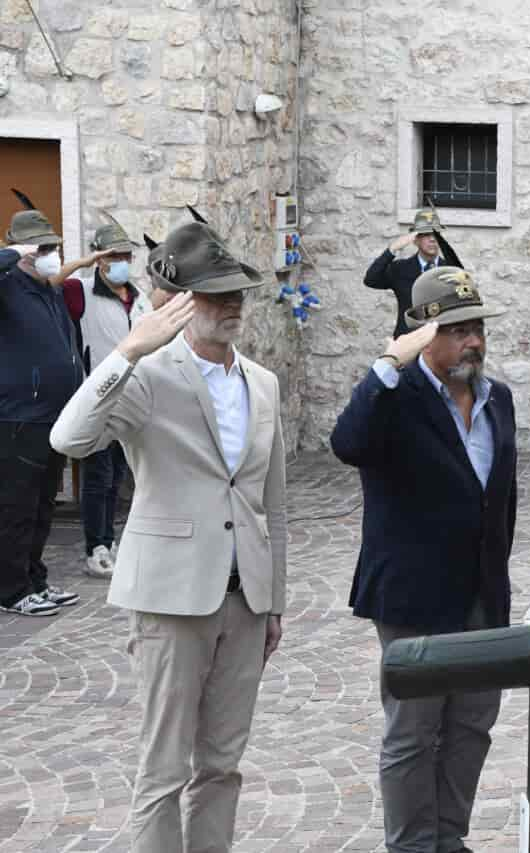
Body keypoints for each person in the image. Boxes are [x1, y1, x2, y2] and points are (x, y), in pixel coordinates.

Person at [50, 221, 287, 853]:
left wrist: (274, 600)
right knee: (163, 771)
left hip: (245, 597)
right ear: (176, 300)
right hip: (169, 597)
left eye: (237, 290)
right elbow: (67, 440)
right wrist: (127, 352)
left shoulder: (262, 384)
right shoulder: (148, 376)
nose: (232, 303)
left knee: (222, 765)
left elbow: (273, 505)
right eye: (215, 294)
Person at [331, 266, 516, 853]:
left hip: (482, 593)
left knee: (472, 725)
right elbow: (348, 444)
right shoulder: (395, 397)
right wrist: (389, 363)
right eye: (457, 329)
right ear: (422, 334)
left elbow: (500, 501)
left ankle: (448, 838)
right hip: (414, 594)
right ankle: (411, 846)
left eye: (477, 326)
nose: (473, 341)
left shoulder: (497, 400)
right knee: (413, 731)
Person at [51, 216, 152, 579]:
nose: (122, 261)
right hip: (98, 396)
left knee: (118, 475)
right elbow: (51, 282)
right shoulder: (81, 292)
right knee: (98, 476)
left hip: (132, 398)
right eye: (114, 255)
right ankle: (96, 547)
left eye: (126, 254)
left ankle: (109, 542)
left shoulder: (138, 298)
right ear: (100, 258)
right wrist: (82, 263)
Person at [0, 193, 83, 616]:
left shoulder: (45, 289)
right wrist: (11, 254)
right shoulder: (7, 285)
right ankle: (12, 590)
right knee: (17, 508)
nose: (50, 255)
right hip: (19, 418)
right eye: (42, 249)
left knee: (43, 505)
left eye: (52, 247)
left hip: (54, 417)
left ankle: (36, 579)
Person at [364, 204, 463, 339]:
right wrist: (392, 249)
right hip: (408, 343)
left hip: (440, 344)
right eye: (426, 234)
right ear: (415, 240)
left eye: (436, 234)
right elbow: (371, 279)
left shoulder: (451, 270)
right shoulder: (400, 269)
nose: (432, 239)